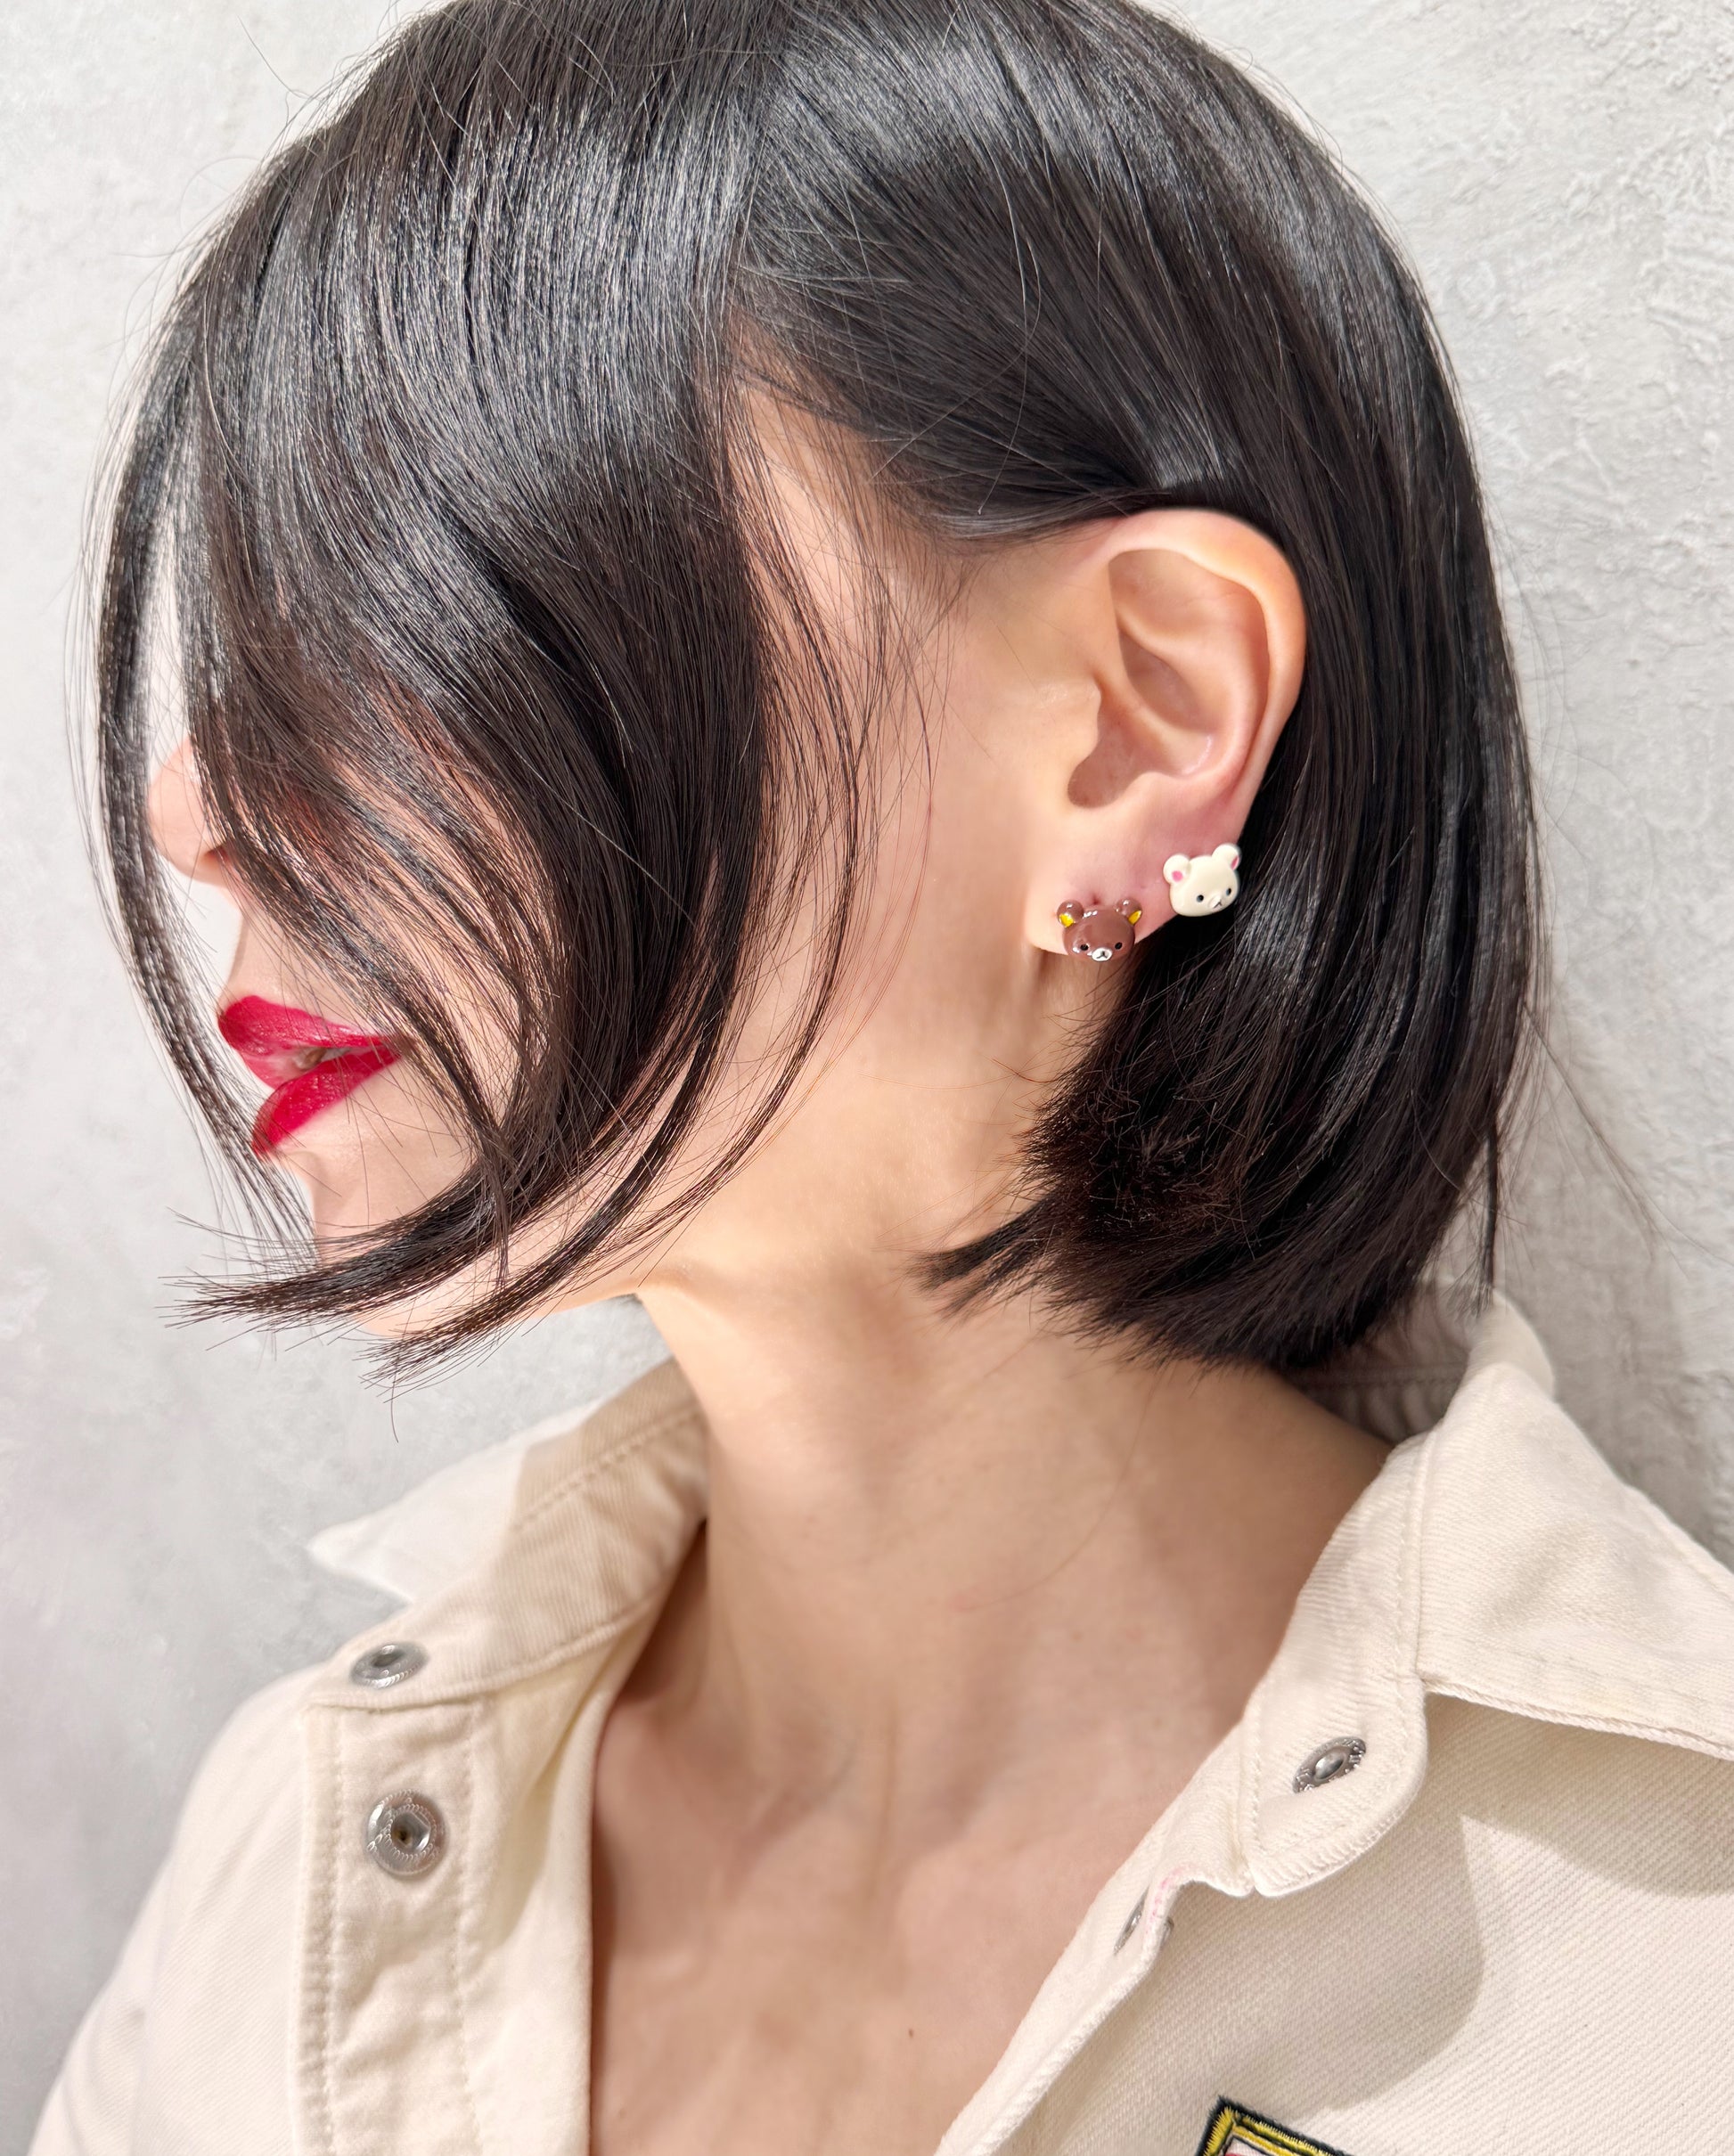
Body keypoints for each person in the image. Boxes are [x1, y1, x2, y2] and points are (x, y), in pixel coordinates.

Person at [35, 1, 1734, 2152]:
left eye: (433, 594)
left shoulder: (1674, 1969)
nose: (199, 803)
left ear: (1128, 722)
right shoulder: (288, 1870)